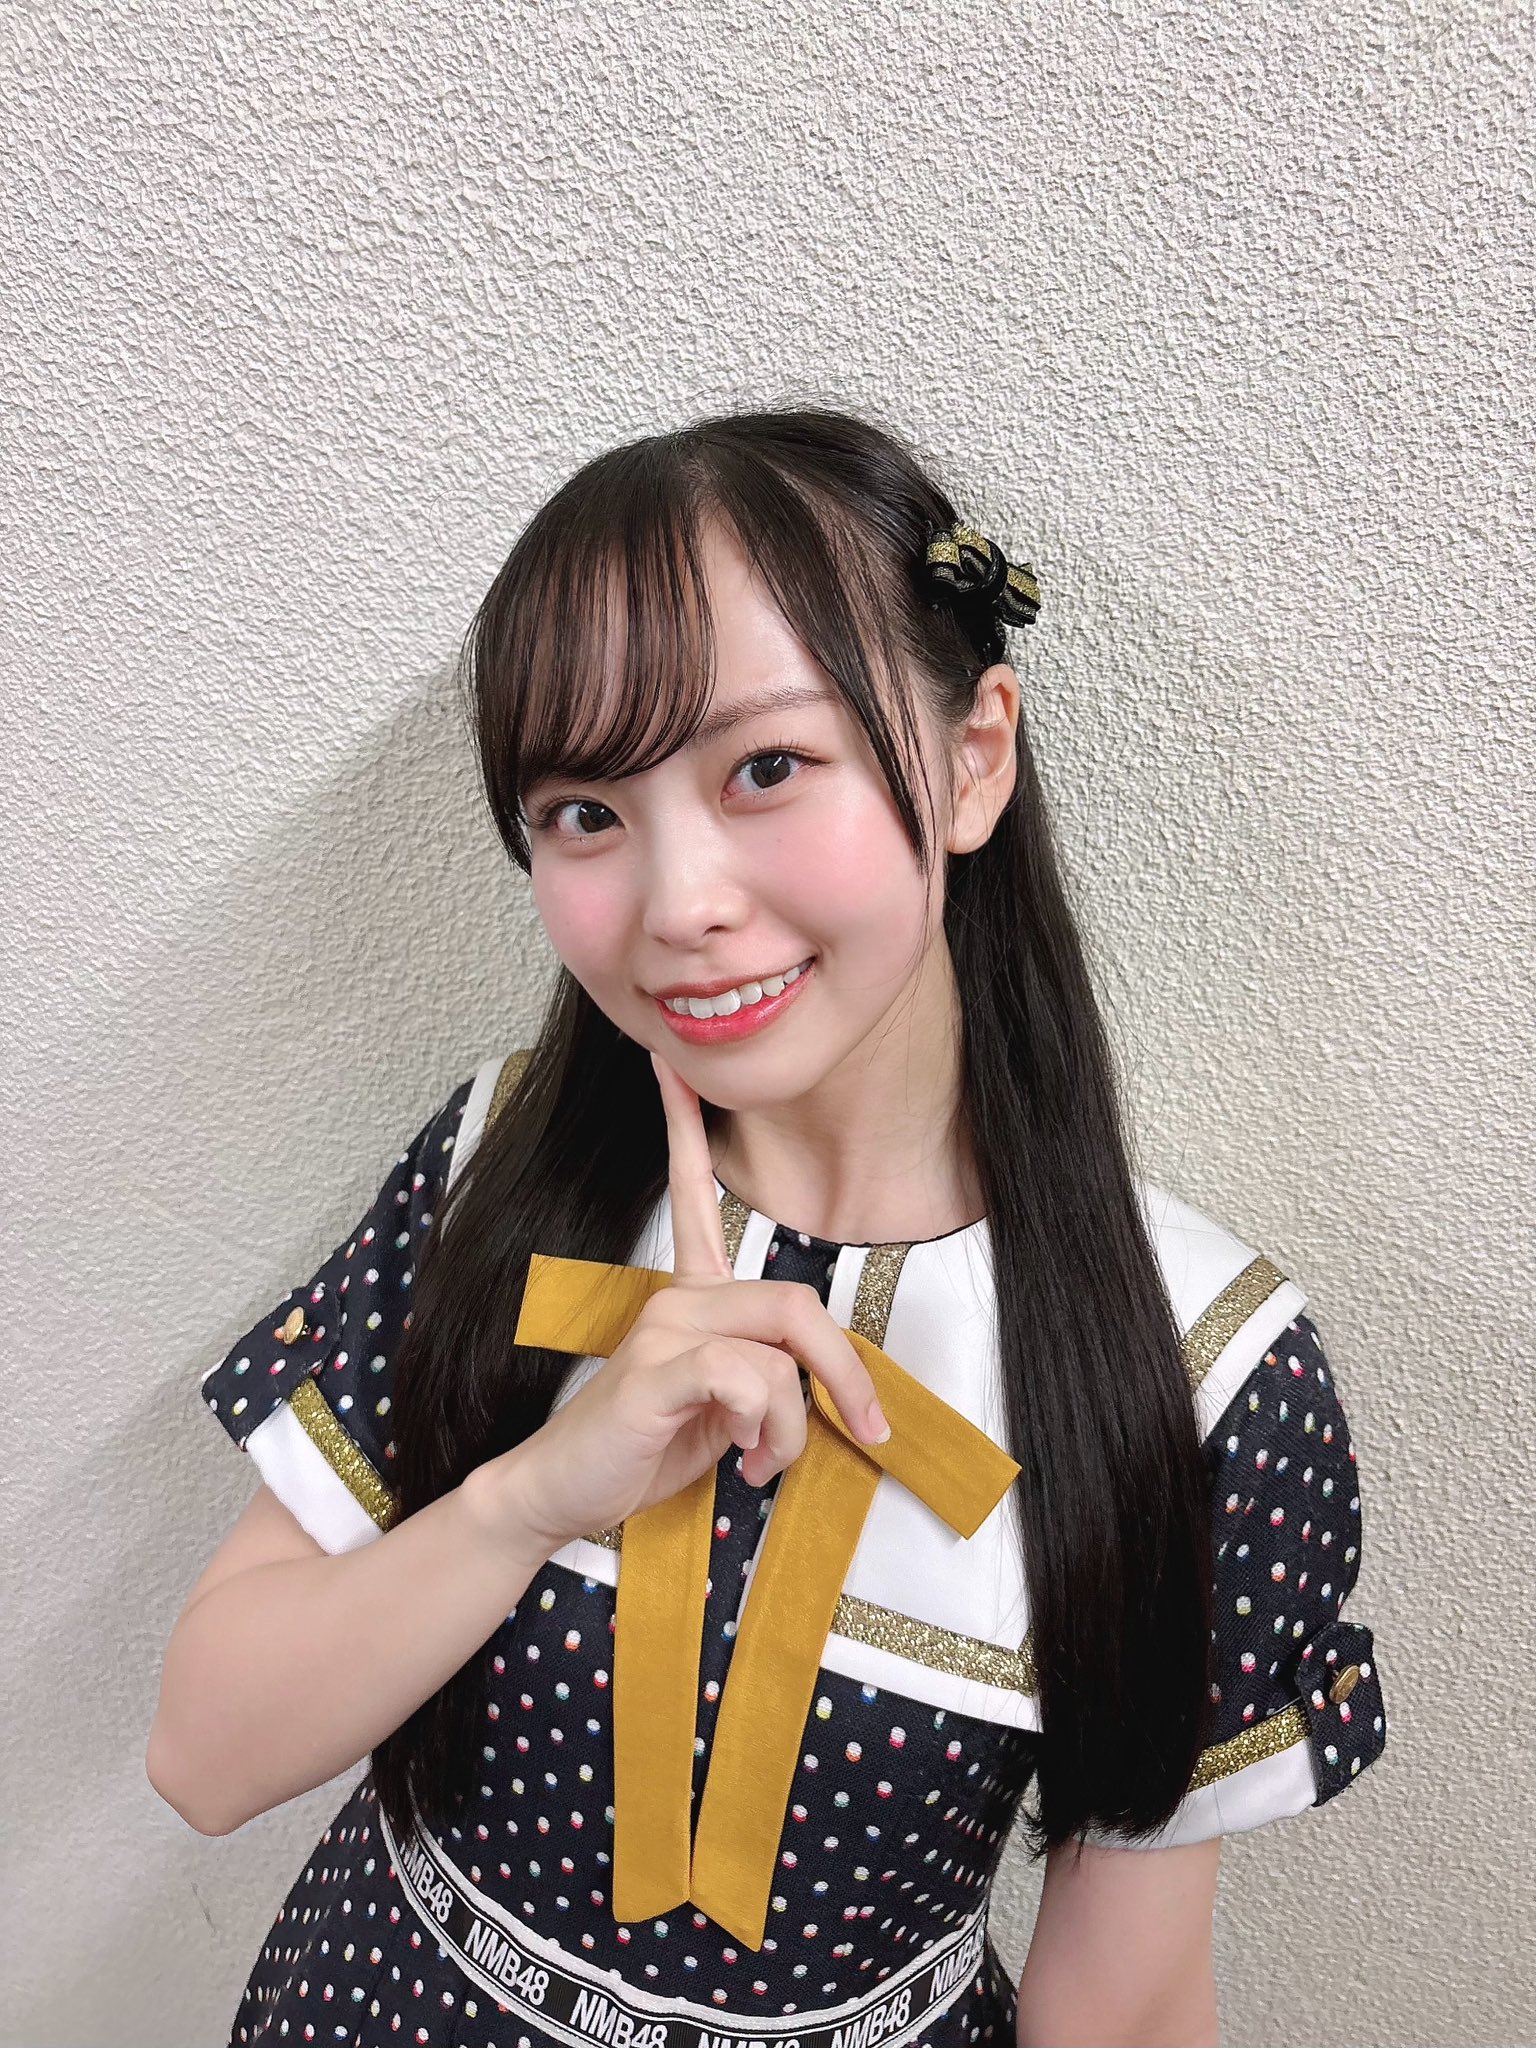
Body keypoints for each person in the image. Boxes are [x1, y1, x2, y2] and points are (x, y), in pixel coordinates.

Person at [148, 406, 1388, 2048]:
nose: (679, 906)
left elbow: (1133, 2000)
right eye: (585, 811)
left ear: (973, 758)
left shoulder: (1205, 1369)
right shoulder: (496, 1165)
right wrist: (532, 1496)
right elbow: (203, 1755)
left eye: (766, 769)